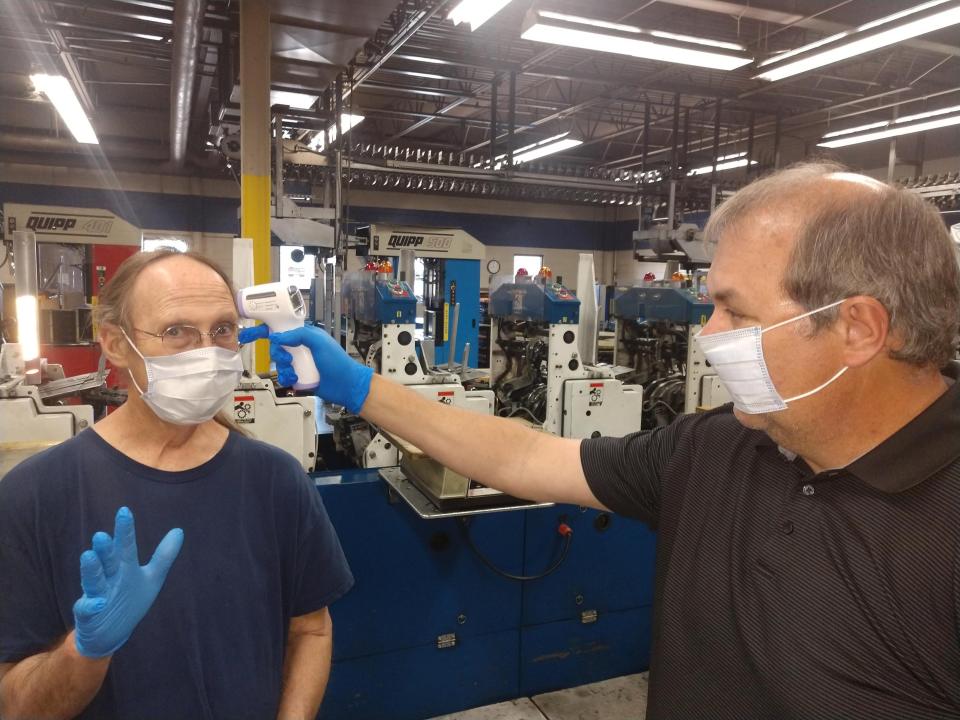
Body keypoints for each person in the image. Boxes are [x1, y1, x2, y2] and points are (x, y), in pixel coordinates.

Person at [244, 161, 960, 719]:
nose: (707, 337)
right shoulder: (710, 450)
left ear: (858, 328)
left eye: (732, 310)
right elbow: (527, 456)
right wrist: (363, 389)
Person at [0, 251, 353, 720]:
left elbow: (311, 631)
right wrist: (83, 653)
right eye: (176, 331)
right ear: (115, 343)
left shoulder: (276, 480)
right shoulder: (33, 496)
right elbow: (15, 706)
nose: (207, 351)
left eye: (223, 329)